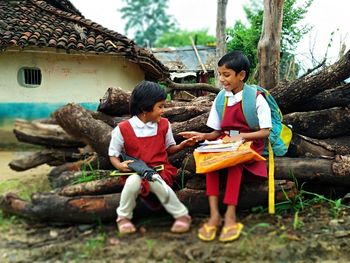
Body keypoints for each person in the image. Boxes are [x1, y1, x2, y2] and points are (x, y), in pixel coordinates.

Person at [179, 51, 272, 242]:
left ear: (241, 75)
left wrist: (240, 138)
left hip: (249, 142)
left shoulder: (256, 98)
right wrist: (201, 136)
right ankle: (214, 215)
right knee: (213, 163)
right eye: (220, 74)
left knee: (233, 163)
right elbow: (215, 133)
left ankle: (230, 215)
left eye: (226, 75)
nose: (221, 79)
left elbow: (265, 132)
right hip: (225, 141)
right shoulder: (221, 98)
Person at [109, 80, 196, 234]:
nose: (163, 110)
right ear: (144, 108)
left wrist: (183, 145)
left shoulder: (164, 125)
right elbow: (113, 154)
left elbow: (169, 149)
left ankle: (182, 215)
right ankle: (123, 217)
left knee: (156, 181)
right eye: (160, 106)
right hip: (136, 172)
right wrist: (119, 165)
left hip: (160, 171)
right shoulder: (123, 129)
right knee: (132, 184)